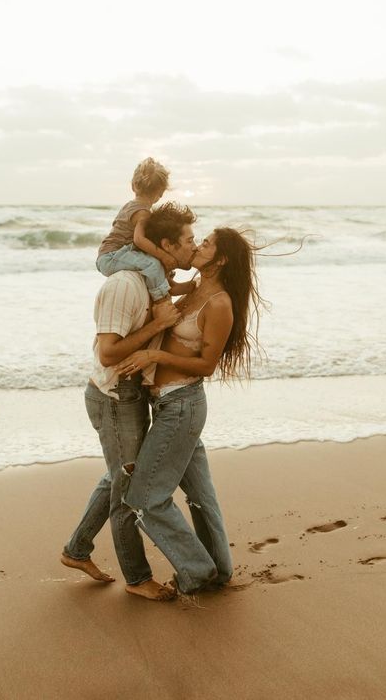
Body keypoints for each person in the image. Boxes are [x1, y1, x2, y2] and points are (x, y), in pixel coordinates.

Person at [61, 202, 199, 600]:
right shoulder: (124, 285)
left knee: (117, 476)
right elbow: (108, 353)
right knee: (127, 488)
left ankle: (76, 549)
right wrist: (159, 325)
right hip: (114, 397)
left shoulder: (156, 282)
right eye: (188, 240)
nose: (194, 246)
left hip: (131, 394)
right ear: (166, 245)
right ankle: (137, 580)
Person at [115, 225, 262, 594]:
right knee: (200, 496)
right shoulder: (195, 290)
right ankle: (221, 570)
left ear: (220, 259)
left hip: (182, 405)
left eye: (207, 244)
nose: (198, 246)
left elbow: (207, 365)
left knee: (145, 499)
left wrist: (155, 355)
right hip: (167, 404)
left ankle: (196, 570)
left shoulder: (219, 304)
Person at [96, 157, 195, 301]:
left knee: (151, 259)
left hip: (114, 254)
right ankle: (162, 299)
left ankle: (169, 285)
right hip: (111, 256)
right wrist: (164, 256)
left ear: (133, 185)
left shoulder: (131, 205)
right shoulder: (143, 213)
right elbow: (139, 240)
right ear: (161, 193)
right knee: (152, 264)